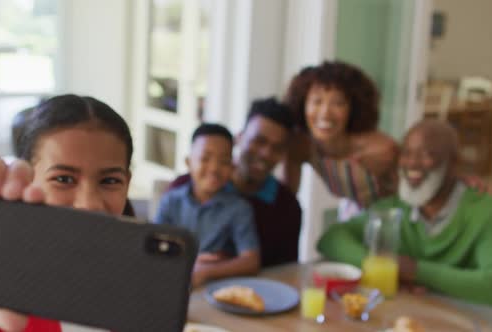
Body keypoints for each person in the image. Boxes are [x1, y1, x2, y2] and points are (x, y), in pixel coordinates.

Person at [0, 94, 134, 331]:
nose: (89, 204)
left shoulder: (143, 287)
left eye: (109, 180)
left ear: (127, 183)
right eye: (63, 179)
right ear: (25, 179)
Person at [317, 119, 492, 317]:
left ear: (454, 164)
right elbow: (332, 238)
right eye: (407, 152)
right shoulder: (395, 207)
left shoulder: (485, 209)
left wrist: (416, 271)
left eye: (427, 154)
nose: (412, 163)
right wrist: (387, 268)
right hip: (433, 318)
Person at [168, 97, 302, 267]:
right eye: (259, 141)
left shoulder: (288, 207)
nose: (266, 154)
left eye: (277, 148)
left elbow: (286, 272)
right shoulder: (186, 188)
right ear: (239, 137)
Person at [155, 123, 260, 287]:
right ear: (189, 162)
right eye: (205, 158)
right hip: (170, 284)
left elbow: (251, 261)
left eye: (224, 161)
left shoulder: (239, 208)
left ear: (232, 167)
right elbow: (154, 250)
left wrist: (204, 271)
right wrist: (189, 260)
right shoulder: (170, 201)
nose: (214, 168)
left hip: (216, 289)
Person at [282, 61, 399, 208]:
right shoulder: (302, 146)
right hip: (352, 214)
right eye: (317, 101)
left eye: (338, 103)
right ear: (302, 105)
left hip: (390, 217)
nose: (325, 113)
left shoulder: (381, 150)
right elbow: (286, 201)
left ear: (353, 108)